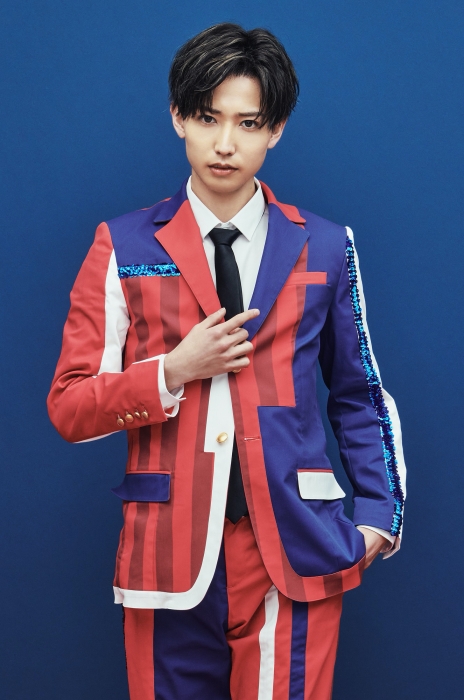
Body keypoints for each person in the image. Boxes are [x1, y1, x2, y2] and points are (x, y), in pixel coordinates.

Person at [47, 22, 406, 700]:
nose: (225, 143)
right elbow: (69, 405)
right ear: (178, 117)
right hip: (166, 555)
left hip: (296, 549)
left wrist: (378, 517)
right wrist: (171, 372)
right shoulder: (123, 245)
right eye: (209, 118)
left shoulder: (326, 246)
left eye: (249, 123)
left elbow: (358, 392)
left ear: (276, 130)